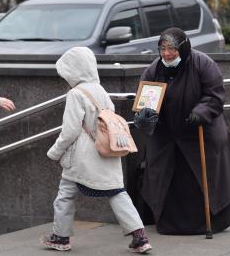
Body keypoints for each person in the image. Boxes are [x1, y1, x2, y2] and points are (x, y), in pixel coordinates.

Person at [136, 27, 230, 235]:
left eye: (172, 49)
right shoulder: (153, 70)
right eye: (163, 49)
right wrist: (144, 116)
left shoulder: (203, 64)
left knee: (202, 179)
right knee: (168, 179)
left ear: (183, 48)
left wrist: (200, 112)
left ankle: (211, 222)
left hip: (199, 133)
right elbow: (145, 101)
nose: (167, 54)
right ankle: (169, 224)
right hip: (167, 138)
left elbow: (214, 96)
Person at [44, 47, 152, 254]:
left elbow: (70, 131)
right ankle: (140, 236)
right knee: (118, 193)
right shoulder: (100, 89)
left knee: (66, 194)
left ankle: (60, 237)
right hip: (108, 151)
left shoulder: (76, 94)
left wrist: (55, 152)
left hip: (82, 157)